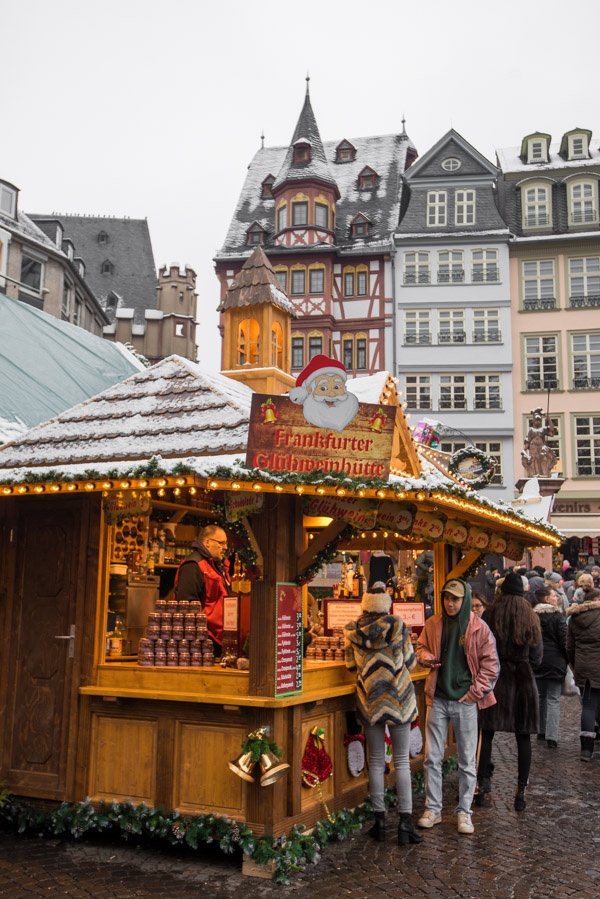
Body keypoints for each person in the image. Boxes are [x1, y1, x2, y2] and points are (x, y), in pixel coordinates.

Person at [416, 578, 498, 835]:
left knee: (466, 760)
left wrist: (475, 693)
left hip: (465, 701)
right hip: (437, 698)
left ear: (464, 600)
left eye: (455, 599)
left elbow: (491, 665)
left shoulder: (479, 628)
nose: (450, 603)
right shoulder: (433, 624)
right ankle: (434, 809)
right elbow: (420, 647)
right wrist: (426, 657)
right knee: (432, 757)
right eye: (446, 598)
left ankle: (464, 812)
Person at [344, 582, 422, 845]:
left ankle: (379, 823)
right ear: (386, 605)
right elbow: (410, 662)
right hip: (398, 699)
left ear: (364, 605)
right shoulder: (398, 626)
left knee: (376, 761)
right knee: (401, 761)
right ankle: (405, 824)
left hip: (370, 701)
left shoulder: (353, 631)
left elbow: (349, 665)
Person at [477, 572, 542, 811]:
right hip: (523, 677)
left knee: (487, 731)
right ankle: (521, 790)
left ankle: (482, 786)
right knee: (523, 735)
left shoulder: (491, 613)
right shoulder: (531, 615)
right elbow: (537, 656)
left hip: (495, 676)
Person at [173, 524, 230, 655]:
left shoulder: (218, 566)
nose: (225, 547)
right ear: (207, 542)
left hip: (218, 638)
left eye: (226, 543)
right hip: (202, 643)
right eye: (221, 543)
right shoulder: (193, 566)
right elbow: (186, 607)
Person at [566, 584, 600, 761]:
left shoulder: (574, 618)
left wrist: (575, 664)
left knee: (588, 706)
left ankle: (586, 749)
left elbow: (570, 647)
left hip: (584, 667)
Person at [531, 587, 568, 748]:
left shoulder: (533, 617)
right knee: (553, 698)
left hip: (537, 660)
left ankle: (541, 731)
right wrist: (567, 659)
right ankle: (552, 737)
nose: (557, 598)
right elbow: (564, 640)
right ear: (546, 599)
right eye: (554, 596)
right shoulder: (558, 616)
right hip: (555, 661)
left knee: (540, 696)